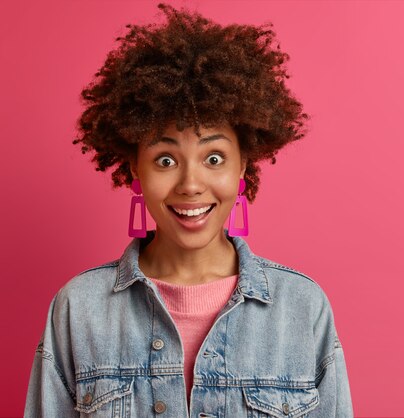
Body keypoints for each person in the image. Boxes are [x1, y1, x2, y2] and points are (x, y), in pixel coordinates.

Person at [25, 3, 353, 417]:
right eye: (165, 159)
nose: (191, 184)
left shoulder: (302, 308)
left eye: (213, 158)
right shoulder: (79, 309)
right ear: (134, 168)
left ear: (243, 165)